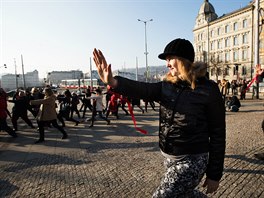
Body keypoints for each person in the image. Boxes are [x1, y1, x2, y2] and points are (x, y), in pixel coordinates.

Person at [93, 38, 226, 197]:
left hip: (193, 159)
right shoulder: (166, 86)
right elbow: (142, 89)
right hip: (170, 157)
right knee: (182, 194)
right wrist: (113, 82)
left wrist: (214, 174)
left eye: (170, 59)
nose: (167, 64)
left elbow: (218, 133)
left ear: (183, 60)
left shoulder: (208, 89)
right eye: (166, 60)